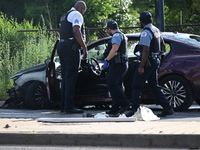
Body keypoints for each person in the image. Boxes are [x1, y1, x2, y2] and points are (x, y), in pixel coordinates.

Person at [125, 11, 174, 117]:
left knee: (136, 86)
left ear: (142, 21)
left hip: (147, 62)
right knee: (154, 85)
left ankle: (134, 110)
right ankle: (167, 108)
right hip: (155, 61)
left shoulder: (146, 32)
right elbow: (162, 45)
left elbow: (145, 50)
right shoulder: (156, 30)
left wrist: (142, 66)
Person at [57, 1, 87, 114]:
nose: (83, 12)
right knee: (71, 77)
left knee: (65, 77)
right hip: (71, 47)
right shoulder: (76, 14)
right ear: (81, 8)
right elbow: (76, 30)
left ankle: (63, 106)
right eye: (84, 10)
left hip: (62, 45)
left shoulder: (65, 15)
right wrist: (84, 47)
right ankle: (69, 106)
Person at [103, 21, 130, 116]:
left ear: (109, 29)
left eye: (107, 29)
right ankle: (115, 107)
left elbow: (114, 49)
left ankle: (124, 103)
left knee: (112, 83)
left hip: (118, 64)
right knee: (117, 84)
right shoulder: (122, 35)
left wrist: (107, 60)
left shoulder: (116, 36)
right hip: (121, 63)